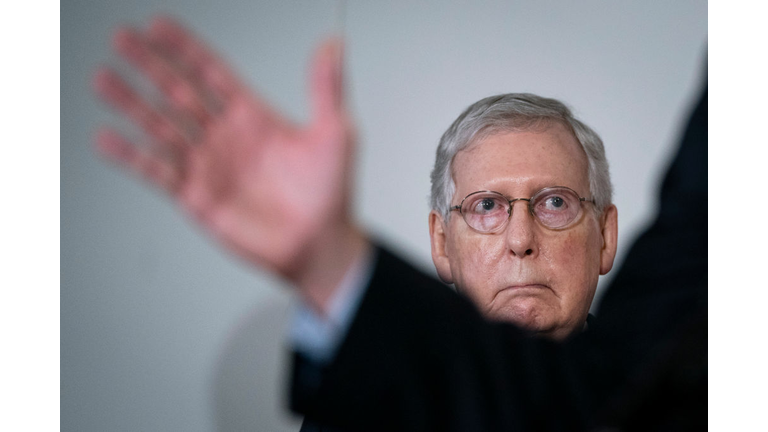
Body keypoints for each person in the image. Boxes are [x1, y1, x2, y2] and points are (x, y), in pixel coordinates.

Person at [94, 16, 706, 431]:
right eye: (488, 208)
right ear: (442, 242)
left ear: (606, 236)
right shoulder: (360, 410)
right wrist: (330, 261)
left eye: (554, 204)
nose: (521, 241)